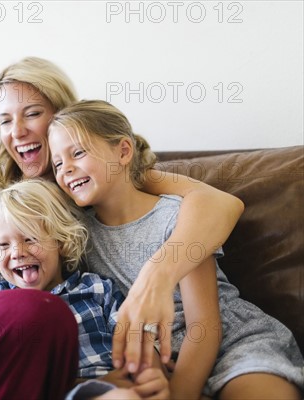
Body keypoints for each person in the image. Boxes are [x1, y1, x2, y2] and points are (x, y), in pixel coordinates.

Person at [0, 56, 245, 373]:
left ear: (60, 116)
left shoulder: (111, 178)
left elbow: (221, 204)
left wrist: (156, 275)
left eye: (33, 114)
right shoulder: (0, 197)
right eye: (5, 120)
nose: (18, 131)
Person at [48, 99, 304, 399]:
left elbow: (204, 325)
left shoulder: (177, 217)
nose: (66, 169)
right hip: (157, 357)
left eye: (77, 153)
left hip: (230, 342)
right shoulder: (80, 235)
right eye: (57, 163)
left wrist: (181, 394)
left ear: (123, 151)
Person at [0, 178, 170, 399]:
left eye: (30, 238)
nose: (17, 252)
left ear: (61, 242)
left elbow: (135, 341)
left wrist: (150, 373)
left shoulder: (96, 289)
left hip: (110, 388)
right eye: (3, 245)